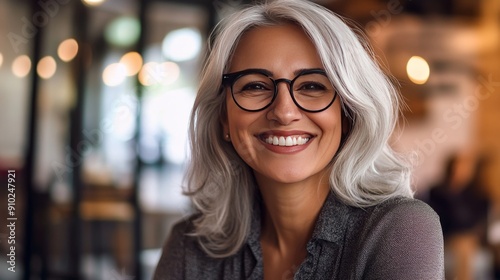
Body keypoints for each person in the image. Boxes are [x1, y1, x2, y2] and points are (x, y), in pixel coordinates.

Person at [154, 0, 444, 279]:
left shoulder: (399, 230)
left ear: (347, 115)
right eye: (255, 85)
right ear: (224, 119)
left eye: (312, 86)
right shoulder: (189, 245)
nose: (283, 112)